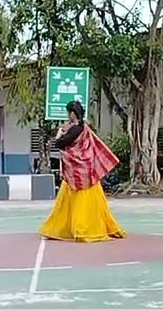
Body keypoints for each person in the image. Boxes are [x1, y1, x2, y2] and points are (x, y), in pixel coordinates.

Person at [39, 100, 126, 242]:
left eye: (68, 112)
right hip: (88, 173)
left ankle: (81, 229)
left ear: (72, 113)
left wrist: (60, 134)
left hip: (77, 174)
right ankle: (87, 228)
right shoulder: (84, 128)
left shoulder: (76, 129)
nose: (68, 115)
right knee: (94, 204)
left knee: (73, 204)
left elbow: (60, 143)